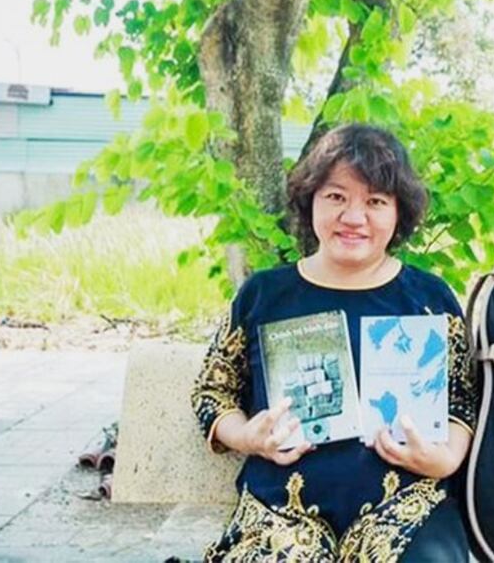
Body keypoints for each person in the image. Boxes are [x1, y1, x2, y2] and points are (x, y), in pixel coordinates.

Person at [191, 124, 477, 562]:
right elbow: (213, 391)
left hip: (405, 505)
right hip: (281, 512)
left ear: (399, 212)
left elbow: (462, 403)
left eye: (375, 201)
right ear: (311, 201)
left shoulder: (428, 299)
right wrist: (248, 436)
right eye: (336, 196)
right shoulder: (265, 295)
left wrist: (444, 461)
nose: (353, 217)